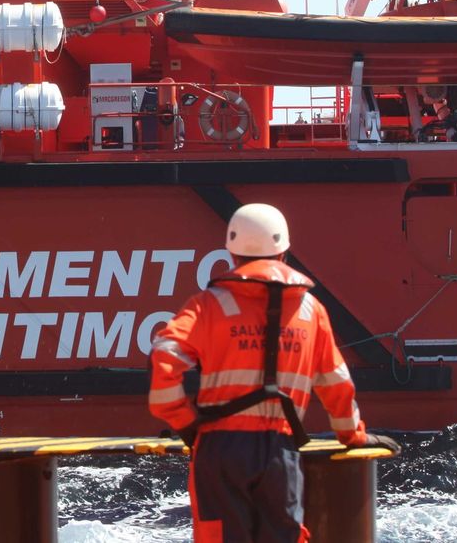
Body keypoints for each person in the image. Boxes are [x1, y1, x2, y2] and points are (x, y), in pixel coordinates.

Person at [149, 203, 397, 543]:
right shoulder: (312, 311)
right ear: (283, 252)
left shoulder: (208, 305)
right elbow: (337, 384)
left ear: (232, 253)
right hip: (281, 451)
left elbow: (165, 357)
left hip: (220, 449)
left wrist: (186, 425)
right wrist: (352, 436)